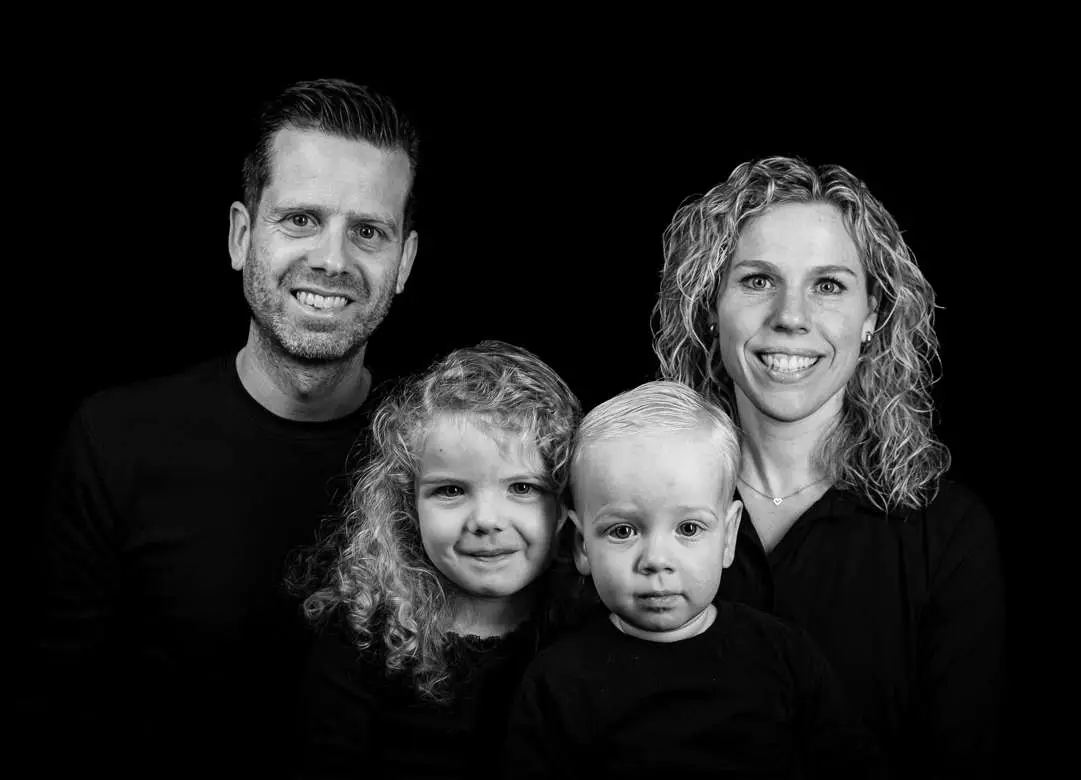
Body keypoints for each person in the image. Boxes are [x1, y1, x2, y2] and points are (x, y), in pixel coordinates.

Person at [32, 78, 420, 777]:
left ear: (405, 263)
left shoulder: (442, 460)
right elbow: (56, 710)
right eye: (301, 219)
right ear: (242, 236)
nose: (333, 260)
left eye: (368, 232)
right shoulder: (117, 440)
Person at [652, 156, 1006, 779]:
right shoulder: (633, 504)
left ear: (871, 317)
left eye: (829, 286)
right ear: (711, 307)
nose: (790, 316)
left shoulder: (946, 536)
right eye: (757, 279)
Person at [506, 380, 886, 778]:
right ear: (583, 546)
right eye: (623, 531)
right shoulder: (559, 682)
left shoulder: (783, 656)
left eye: (688, 529)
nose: (656, 561)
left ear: (729, 537)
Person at [295, 340, 582, 777]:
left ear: (565, 504)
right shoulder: (364, 636)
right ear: (409, 506)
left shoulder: (586, 628)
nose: (486, 520)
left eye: (523, 488)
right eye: (450, 490)